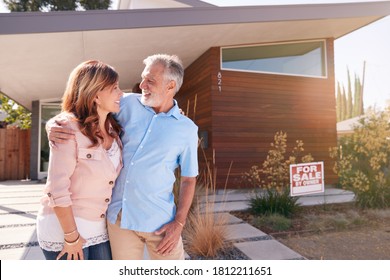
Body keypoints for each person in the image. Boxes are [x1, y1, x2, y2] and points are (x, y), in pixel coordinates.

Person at [47, 54, 199, 260]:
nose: (142, 85)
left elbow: (189, 179)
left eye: (150, 81)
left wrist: (179, 223)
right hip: (119, 221)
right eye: (143, 77)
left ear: (170, 86)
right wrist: (53, 125)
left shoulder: (186, 128)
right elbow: (83, 110)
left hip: (161, 223)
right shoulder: (125, 103)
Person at [36, 60, 124, 260]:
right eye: (114, 88)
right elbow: (56, 189)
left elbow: (149, 105)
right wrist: (71, 236)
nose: (121, 94)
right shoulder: (67, 128)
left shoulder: (113, 128)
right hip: (66, 230)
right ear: (95, 95)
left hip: (99, 227)